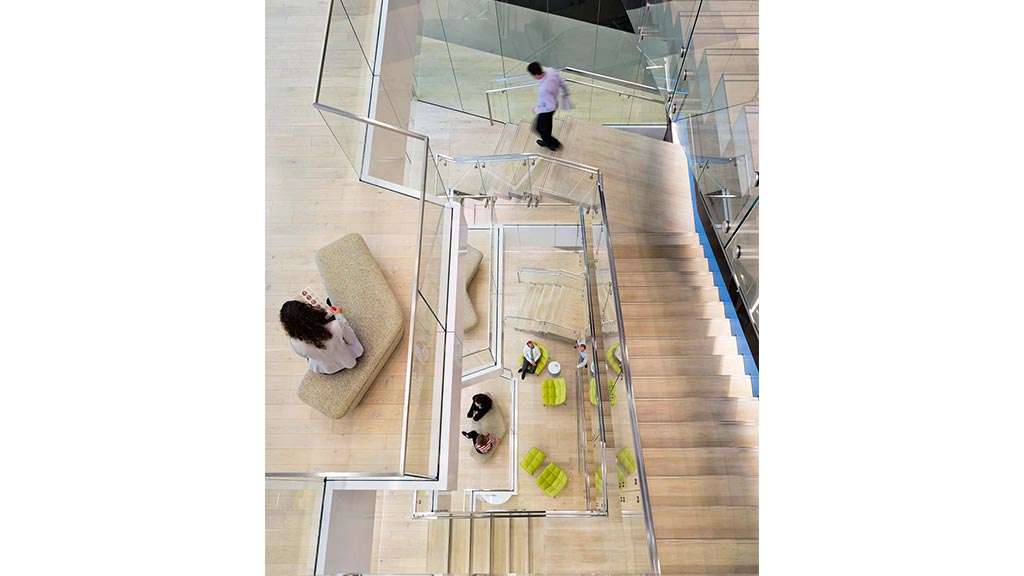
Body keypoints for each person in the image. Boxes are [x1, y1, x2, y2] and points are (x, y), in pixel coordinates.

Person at [280, 299, 364, 374]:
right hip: (347, 358)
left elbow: (304, 356)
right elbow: (352, 339)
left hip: (327, 369)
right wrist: (339, 316)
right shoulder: (336, 326)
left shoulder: (293, 342)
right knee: (329, 302)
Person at [528, 61, 572, 151]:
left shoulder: (544, 89)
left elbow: (550, 106)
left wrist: (536, 110)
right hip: (554, 103)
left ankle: (553, 144)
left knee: (538, 128)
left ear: (535, 75)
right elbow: (561, 82)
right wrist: (566, 91)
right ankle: (549, 141)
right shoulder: (551, 71)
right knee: (547, 125)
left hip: (547, 109)